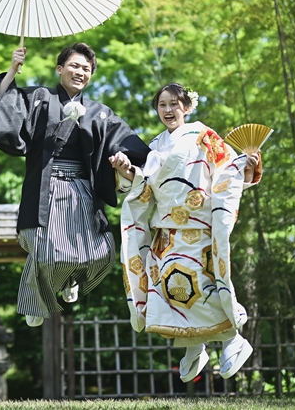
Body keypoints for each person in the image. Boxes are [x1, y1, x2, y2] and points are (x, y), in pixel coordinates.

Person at [0, 43, 151, 327]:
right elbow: (3, 106)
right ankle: (39, 300)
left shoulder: (99, 112)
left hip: (82, 189)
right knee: (45, 251)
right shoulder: (38, 97)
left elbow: (131, 146)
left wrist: (125, 160)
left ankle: (72, 277)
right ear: (59, 69)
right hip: (45, 189)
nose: (80, 72)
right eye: (74, 66)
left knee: (102, 253)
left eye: (86, 69)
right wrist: (13, 69)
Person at [110, 83, 262, 382]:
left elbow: (228, 168)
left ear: (187, 107)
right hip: (166, 232)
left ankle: (233, 338)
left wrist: (246, 164)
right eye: (162, 105)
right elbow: (144, 185)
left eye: (174, 104)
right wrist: (127, 170)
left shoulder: (203, 135)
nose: (168, 110)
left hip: (198, 227)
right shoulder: (154, 145)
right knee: (170, 288)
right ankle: (193, 344)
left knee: (205, 285)